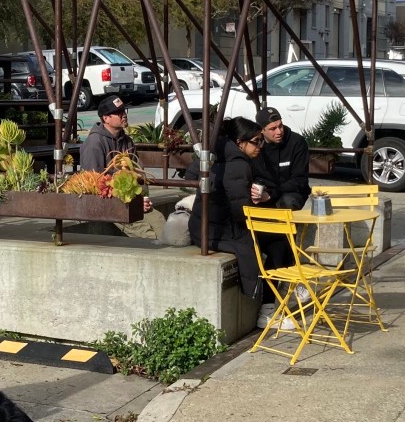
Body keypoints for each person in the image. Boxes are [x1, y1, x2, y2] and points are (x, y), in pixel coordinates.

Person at [183, 115, 294, 329]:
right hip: (221, 231)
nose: (260, 146)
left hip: (204, 227)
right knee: (279, 241)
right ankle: (267, 309)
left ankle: (278, 294)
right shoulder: (237, 164)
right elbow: (240, 210)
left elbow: (192, 176)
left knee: (276, 238)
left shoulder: (215, 155)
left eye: (261, 140)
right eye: (256, 141)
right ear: (239, 142)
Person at [79, 95, 164, 239]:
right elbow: (94, 185)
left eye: (124, 111)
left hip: (133, 202)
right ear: (105, 118)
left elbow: (139, 173)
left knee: (164, 229)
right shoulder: (94, 143)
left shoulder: (127, 141)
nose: (123, 115)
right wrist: (132, 202)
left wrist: (143, 198)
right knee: (149, 236)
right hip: (112, 206)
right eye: (118, 113)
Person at [250, 105, 310, 210]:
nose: (279, 132)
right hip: (264, 191)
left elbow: (300, 180)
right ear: (262, 130)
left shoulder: (296, 142)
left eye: (280, 126)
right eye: (273, 129)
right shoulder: (254, 145)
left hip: (290, 192)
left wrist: (272, 194)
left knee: (288, 201)